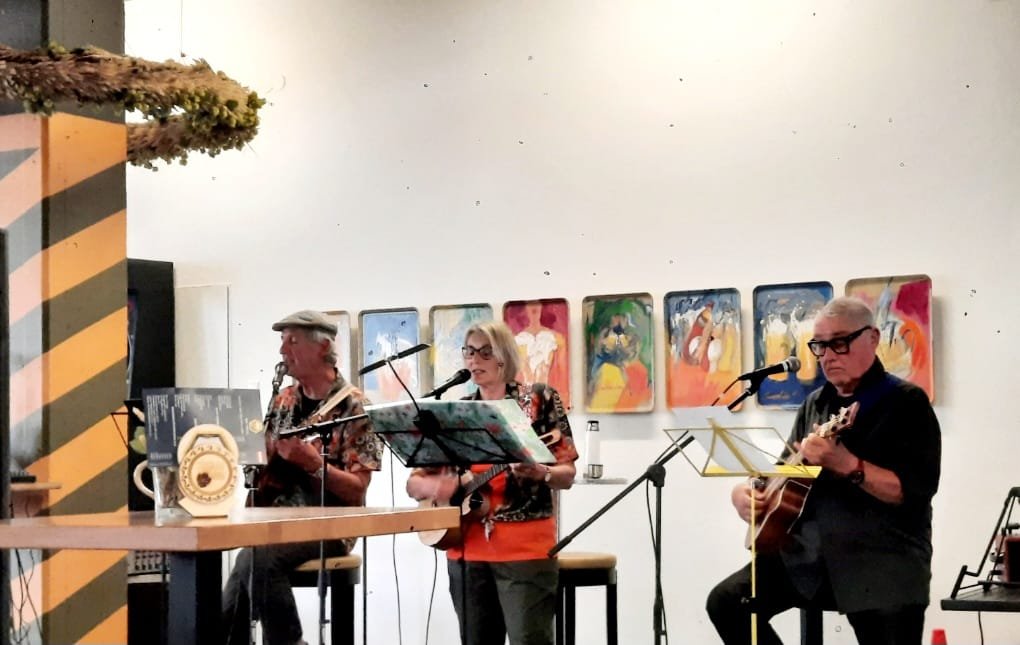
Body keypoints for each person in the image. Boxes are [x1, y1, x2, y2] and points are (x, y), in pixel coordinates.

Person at [706, 296, 941, 645]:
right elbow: (781, 472)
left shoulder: (907, 403)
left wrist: (846, 464)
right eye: (819, 346)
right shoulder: (816, 403)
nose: (828, 355)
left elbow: (912, 490)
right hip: (808, 559)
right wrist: (745, 494)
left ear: (873, 338)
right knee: (727, 602)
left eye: (840, 343)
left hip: (881, 564)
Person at [406, 320, 579, 645]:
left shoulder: (539, 400)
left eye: (485, 352)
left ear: (505, 357)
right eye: (469, 352)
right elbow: (414, 485)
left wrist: (541, 472)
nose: (474, 360)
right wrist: (439, 488)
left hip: (524, 551)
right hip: (465, 548)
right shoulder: (456, 411)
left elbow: (567, 474)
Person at [223, 310, 382, 645]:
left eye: (292, 341)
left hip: (330, 525)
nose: (283, 351)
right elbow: (259, 470)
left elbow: (357, 491)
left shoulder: (355, 406)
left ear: (323, 346)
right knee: (243, 571)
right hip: (275, 522)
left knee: (257, 558)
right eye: (282, 341)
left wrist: (314, 466)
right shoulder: (282, 401)